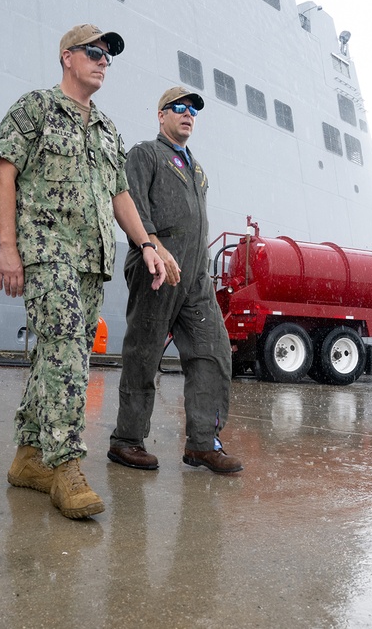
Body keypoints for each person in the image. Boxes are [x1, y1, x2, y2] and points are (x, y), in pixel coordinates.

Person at [0, 24, 167, 519]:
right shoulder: (36, 109)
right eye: (94, 52)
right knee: (68, 356)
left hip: (92, 261)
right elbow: (4, 171)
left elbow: (120, 195)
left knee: (56, 351)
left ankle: (28, 457)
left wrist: (146, 243)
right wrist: (8, 247)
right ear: (67, 57)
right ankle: (65, 466)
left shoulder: (108, 130)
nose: (103, 60)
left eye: (108, 55)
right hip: (46, 251)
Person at [108, 86, 244, 473]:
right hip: (156, 266)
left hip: (195, 276)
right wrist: (152, 245)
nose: (188, 115)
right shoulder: (145, 154)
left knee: (213, 352)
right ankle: (127, 439)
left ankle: (203, 443)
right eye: (179, 109)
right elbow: (131, 200)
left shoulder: (196, 169)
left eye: (193, 112)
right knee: (144, 351)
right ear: (161, 115)